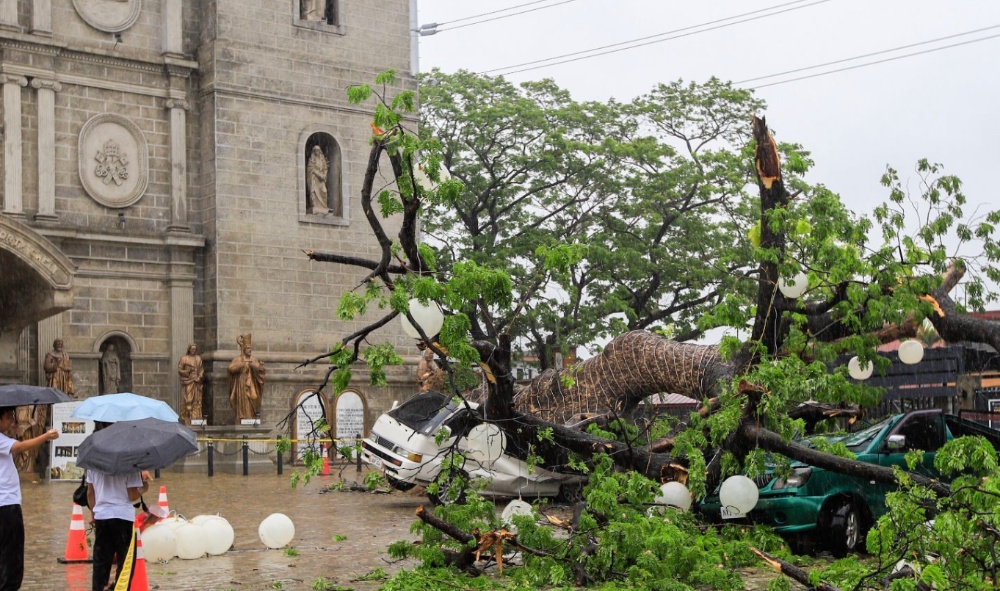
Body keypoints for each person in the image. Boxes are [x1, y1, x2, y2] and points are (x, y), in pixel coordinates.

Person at [86, 422, 150, 591]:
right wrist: (145, 487)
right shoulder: (129, 461)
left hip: (102, 516)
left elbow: (90, 493)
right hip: (122, 517)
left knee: (101, 563)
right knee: (125, 563)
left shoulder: (93, 461)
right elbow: (131, 495)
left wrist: (93, 514)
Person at [0, 406, 59, 590]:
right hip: (6, 504)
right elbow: (20, 447)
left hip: (6, 502)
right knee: (12, 552)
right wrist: (46, 436)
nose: (12, 421)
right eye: (9, 417)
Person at [228, 334, 265, 423]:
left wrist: (256, 366)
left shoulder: (254, 359)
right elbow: (230, 369)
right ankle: (242, 417)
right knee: (242, 400)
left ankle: (251, 416)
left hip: (251, 383)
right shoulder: (238, 359)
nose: (250, 350)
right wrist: (241, 366)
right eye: (248, 348)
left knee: (254, 397)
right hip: (241, 383)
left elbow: (261, 369)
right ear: (244, 349)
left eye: (250, 348)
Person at [177, 344, 205, 425]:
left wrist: (199, 376)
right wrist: (187, 372)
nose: (193, 350)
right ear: (189, 349)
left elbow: (201, 369)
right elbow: (180, 370)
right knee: (188, 398)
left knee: (197, 399)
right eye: (192, 349)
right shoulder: (184, 358)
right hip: (188, 380)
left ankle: (196, 415)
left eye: (195, 349)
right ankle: (187, 415)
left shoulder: (198, 358)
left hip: (197, 382)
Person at [306, 145, 329, 212]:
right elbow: (311, 169)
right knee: (314, 192)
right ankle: (315, 206)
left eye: (318, 150)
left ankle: (323, 206)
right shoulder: (311, 159)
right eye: (315, 150)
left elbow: (325, 168)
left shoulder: (322, 160)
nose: (317, 152)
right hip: (315, 179)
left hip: (321, 180)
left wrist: (324, 175)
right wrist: (319, 175)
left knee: (324, 191)